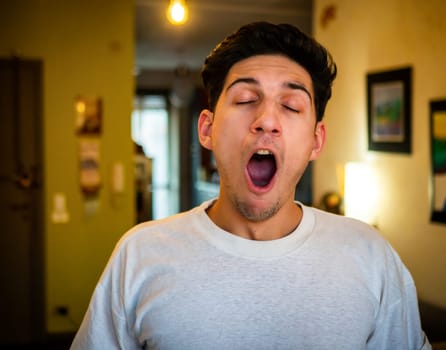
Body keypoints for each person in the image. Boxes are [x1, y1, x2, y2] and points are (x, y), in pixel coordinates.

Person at [71, 22, 431, 349]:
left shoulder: (370, 257)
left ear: (316, 141)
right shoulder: (139, 255)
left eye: (290, 105)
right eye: (245, 100)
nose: (267, 120)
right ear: (208, 129)